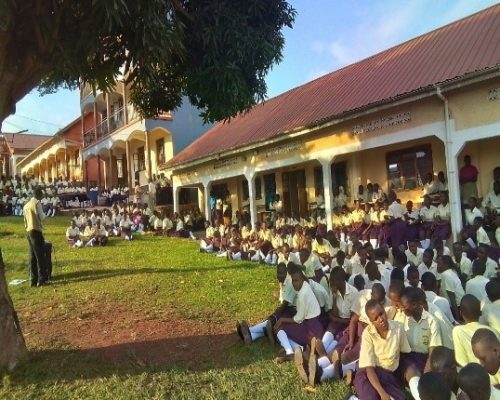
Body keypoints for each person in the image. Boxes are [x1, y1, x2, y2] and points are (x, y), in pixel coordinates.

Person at [352, 299, 411, 400]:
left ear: (384, 310)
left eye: (381, 314)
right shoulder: (368, 334)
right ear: (371, 321)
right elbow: (369, 368)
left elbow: (404, 352)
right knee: (372, 396)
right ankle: (355, 394)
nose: (381, 319)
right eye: (375, 318)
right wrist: (382, 392)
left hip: (388, 376)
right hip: (370, 373)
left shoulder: (398, 328)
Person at [273, 263, 323, 363]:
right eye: (293, 280)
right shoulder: (305, 286)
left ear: (302, 280)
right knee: (285, 329)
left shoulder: (301, 295)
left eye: (297, 280)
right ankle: (300, 349)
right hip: (316, 325)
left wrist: (282, 320)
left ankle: (289, 352)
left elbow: (298, 319)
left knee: (280, 330)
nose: (294, 283)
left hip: (310, 328)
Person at [452, 295, 493, 368]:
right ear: (481, 312)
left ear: (461, 313)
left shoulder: (458, 331)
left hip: (476, 376)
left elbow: (461, 361)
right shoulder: (491, 330)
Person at [23, 187, 49, 287]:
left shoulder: (26, 205)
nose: (42, 196)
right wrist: (45, 213)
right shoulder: (37, 203)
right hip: (36, 231)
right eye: (42, 194)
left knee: (32, 257)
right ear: (38, 195)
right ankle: (41, 279)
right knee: (40, 256)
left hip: (29, 232)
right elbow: (41, 217)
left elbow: (25, 220)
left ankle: (33, 280)